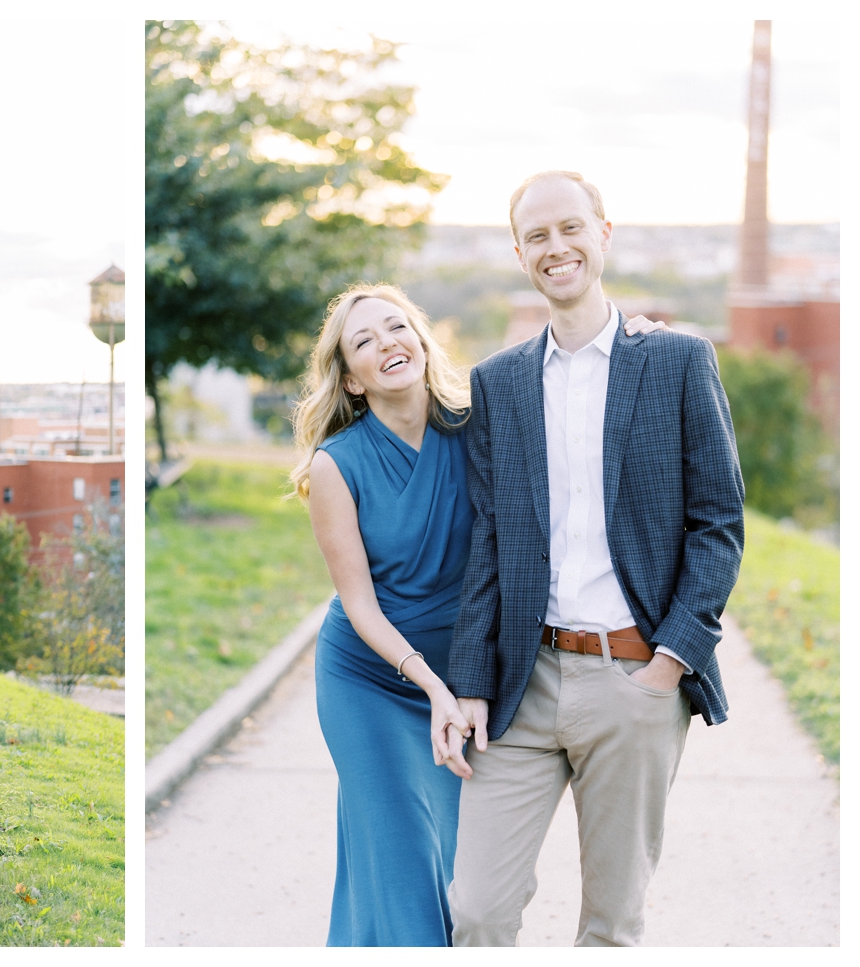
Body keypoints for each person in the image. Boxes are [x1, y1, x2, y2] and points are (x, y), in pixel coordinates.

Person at [291, 282, 667, 946]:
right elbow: (359, 603)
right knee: (400, 849)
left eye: (396, 326)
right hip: (372, 678)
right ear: (351, 379)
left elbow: (575, 398)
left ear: (421, 336)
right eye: (364, 341)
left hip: (466, 675)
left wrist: (635, 342)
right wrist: (431, 685)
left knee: (459, 872)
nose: (387, 344)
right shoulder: (334, 466)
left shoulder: (479, 425)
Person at [446, 171, 745, 947]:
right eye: (537, 235)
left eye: (570, 227)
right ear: (520, 253)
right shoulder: (498, 383)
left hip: (635, 680)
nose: (557, 247)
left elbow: (718, 522)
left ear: (603, 233)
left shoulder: (678, 360)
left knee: (610, 927)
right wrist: (472, 682)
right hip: (523, 683)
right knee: (476, 908)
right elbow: (488, 542)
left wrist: (670, 665)